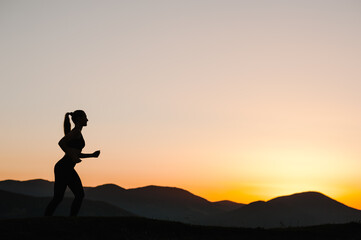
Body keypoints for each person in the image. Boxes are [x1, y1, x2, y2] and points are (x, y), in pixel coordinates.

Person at [45, 110, 100, 216]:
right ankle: (71, 220)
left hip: (64, 167)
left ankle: (47, 219)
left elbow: (76, 154)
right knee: (78, 195)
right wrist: (72, 154)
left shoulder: (77, 132)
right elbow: (61, 143)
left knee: (59, 197)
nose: (87, 119)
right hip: (64, 168)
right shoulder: (76, 132)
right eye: (85, 117)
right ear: (79, 119)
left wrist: (92, 155)